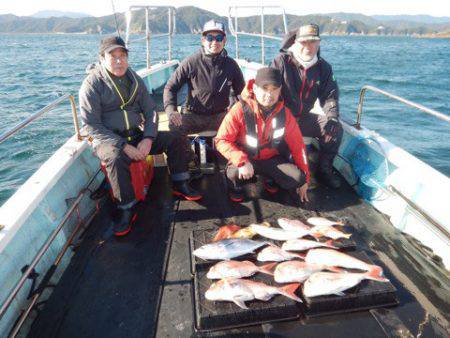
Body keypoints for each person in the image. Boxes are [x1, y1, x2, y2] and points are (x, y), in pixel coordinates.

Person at [79, 36, 201, 237]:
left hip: (136, 134)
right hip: (109, 140)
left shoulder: (134, 79)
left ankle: (180, 181)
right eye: (113, 56)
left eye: (123, 56)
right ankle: (126, 207)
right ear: (102, 58)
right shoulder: (92, 84)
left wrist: (148, 138)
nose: (119, 61)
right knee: (115, 158)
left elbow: (151, 111)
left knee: (176, 137)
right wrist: (123, 145)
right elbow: (91, 125)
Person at [215, 67, 310, 203]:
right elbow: (221, 140)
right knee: (234, 173)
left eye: (274, 89)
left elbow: (298, 147)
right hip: (246, 159)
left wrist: (305, 180)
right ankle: (235, 185)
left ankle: (269, 177)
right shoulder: (239, 110)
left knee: (298, 178)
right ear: (254, 88)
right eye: (264, 88)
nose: (269, 94)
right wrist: (241, 161)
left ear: (280, 90)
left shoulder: (285, 114)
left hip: (271, 160)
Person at [163, 20, 245, 169]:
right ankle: (189, 158)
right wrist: (171, 111)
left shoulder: (231, 65)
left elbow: (242, 93)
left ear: (224, 41)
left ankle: (233, 167)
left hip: (221, 116)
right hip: (194, 115)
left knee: (243, 126)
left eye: (219, 38)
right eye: (210, 38)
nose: (215, 42)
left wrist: (240, 110)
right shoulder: (191, 62)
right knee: (174, 127)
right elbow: (170, 87)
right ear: (203, 40)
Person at [271, 24, 343, 188]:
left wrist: (332, 117)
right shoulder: (281, 62)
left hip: (304, 118)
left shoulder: (324, 67)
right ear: (296, 42)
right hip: (281, 117)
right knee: (274, 141)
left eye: (313, 41)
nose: (308, 46)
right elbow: (269, 90)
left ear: (318, 43)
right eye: (304, 42)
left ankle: (324, 170)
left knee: (335, 129)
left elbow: (330, 96)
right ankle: (274, 172)